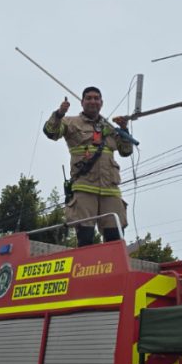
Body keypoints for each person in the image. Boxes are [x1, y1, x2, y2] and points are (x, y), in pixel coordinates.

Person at [43, 86, 134, 246]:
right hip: (84, 187)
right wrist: (59, 114)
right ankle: (86, 268)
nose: (93, 101)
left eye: (96, 98)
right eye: (89, 98)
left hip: (110, 188)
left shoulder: (110, 127)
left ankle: (112, 269)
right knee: (85, 236)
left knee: (115, 236)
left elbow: (126, 151)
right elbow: (51, 132)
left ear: (101, 103)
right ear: (82, 102)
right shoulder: (70, 122)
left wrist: (124, 129)